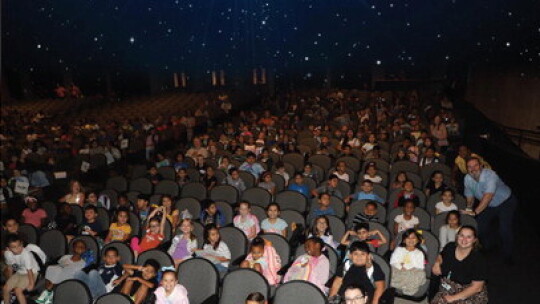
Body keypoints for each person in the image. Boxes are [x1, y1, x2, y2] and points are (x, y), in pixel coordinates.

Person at [462, 157, 517, 263]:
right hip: (490, 205)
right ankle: (490, 244)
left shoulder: (491, 176)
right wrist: (469, 210)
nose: (473, 169)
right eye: (470, 167)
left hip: (506, 202)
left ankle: (507, 255)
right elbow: (469, 197)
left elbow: (488, 196)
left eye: (475, 165)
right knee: (479, 227)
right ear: (467, 169)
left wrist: (475, 212)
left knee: (504, 229)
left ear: (481, 166)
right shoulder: (467, 179)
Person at [431, 226, 488, 304]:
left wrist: (452, 298)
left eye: (469, 237)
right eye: (462, 235)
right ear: (457, 236)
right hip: (448, 287)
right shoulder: (450, 247)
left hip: (469, 292)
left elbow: (477, 287)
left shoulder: (479, 259)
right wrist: (437, 263)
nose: (464, 239)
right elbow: (440, 255)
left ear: (475, 240)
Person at [3, 234, 46, 304]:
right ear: (8, 248)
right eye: (14, 247)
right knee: (5, 288)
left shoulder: (26, 254)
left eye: (19, 245)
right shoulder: (7, 254)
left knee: (18, 290)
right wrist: (10, 280)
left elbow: (29, 271)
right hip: (19, 272)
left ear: (22, 243)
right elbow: (10, 267)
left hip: (32, 273)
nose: (18, 248)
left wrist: (31, 284)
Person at [389, 229, 426, 296]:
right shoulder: (399, 249)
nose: (410, 240)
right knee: (389, 269)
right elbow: (392, 261)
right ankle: (404, 285)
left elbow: (420, 267)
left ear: (417, 240)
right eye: (408, 238)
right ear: (404, 240)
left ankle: (404, 286)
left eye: (413, 238)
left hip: (411, 272)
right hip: (398, 270)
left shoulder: (419, 253)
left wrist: (406, 266)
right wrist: (400, 266)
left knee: (421, 274)